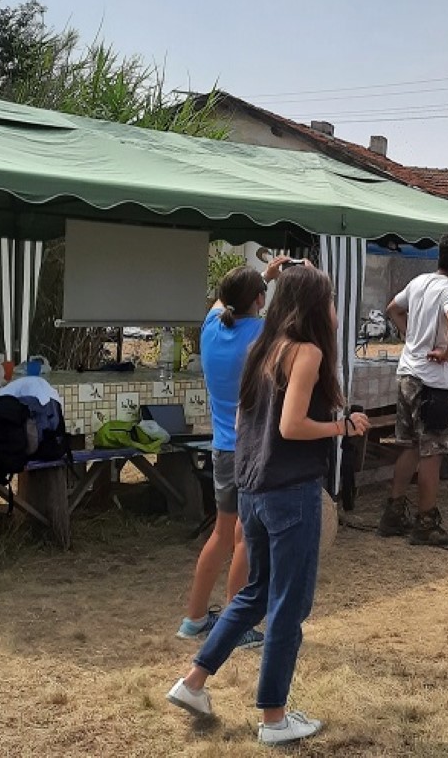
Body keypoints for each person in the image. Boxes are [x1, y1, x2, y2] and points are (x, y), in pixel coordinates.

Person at [166, 263, 370, 746]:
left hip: (253, 487)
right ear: (315, 307)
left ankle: (193, 684)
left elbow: (244, 423)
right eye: (331, 300)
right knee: (287, 606)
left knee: (254, 594)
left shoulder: (262, 347)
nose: (336, 310)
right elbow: (292, 427)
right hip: (289, 491)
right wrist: (343, 427)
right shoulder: (307, 353)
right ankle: (274, 718)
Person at [175, 258, 288, 646]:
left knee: (222, 535)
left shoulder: (210, 327)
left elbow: (222, 305)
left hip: (222, 447)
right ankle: (235, 625)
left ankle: (193, 619)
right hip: (252, 447)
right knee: (246, 538)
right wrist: (275, 280)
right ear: (258, 299)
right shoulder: (260, 333)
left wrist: (264, 278)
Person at [377, 230, 448, 546]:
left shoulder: (419, 282)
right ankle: (426, 522)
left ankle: (393, 514)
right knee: (432, 452)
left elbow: (392, 307)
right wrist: (447, 353)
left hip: (407, 374)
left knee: (410, 447)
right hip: (432, 382)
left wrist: (409, 337)